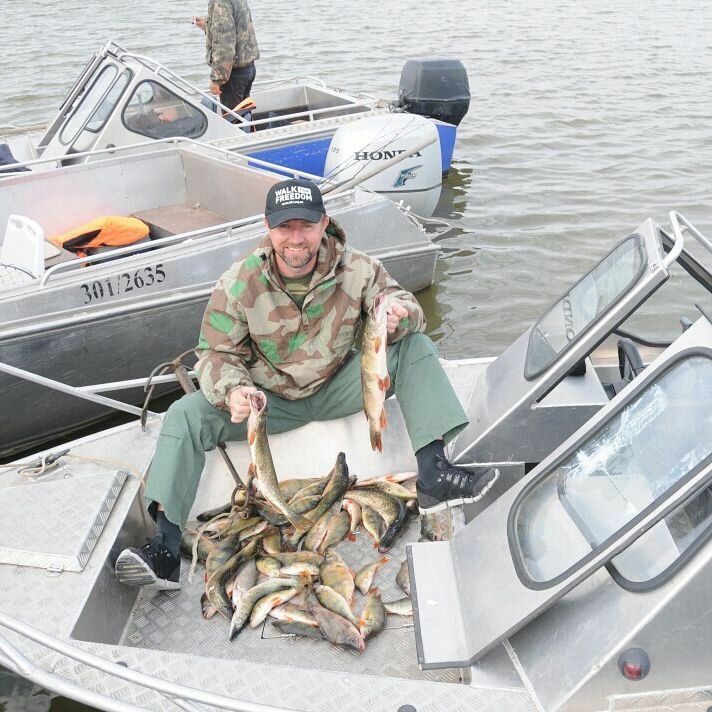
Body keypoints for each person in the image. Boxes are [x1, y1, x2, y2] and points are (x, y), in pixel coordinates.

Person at [114, 178, 499, 590]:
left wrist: (400, 314)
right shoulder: (239, 281)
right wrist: (234, 390)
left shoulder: (360, 269)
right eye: (285, 227)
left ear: (324, 224)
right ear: (268, 226)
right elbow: (215, 354)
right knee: (185, 414)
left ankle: (434, 476)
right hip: (269, 403)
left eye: (306, 226)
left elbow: (406, 305)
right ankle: (166, 548)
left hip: (339, 388)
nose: (295, 238)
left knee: (416, 346)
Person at [193, 0, 259, 114]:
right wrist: (207, 25)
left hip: (234, 74)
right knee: (243, 118)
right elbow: (236, 29)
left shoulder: (220, 2)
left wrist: (217, 79)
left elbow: (224, 43)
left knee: (234, 122)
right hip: (247, 68)